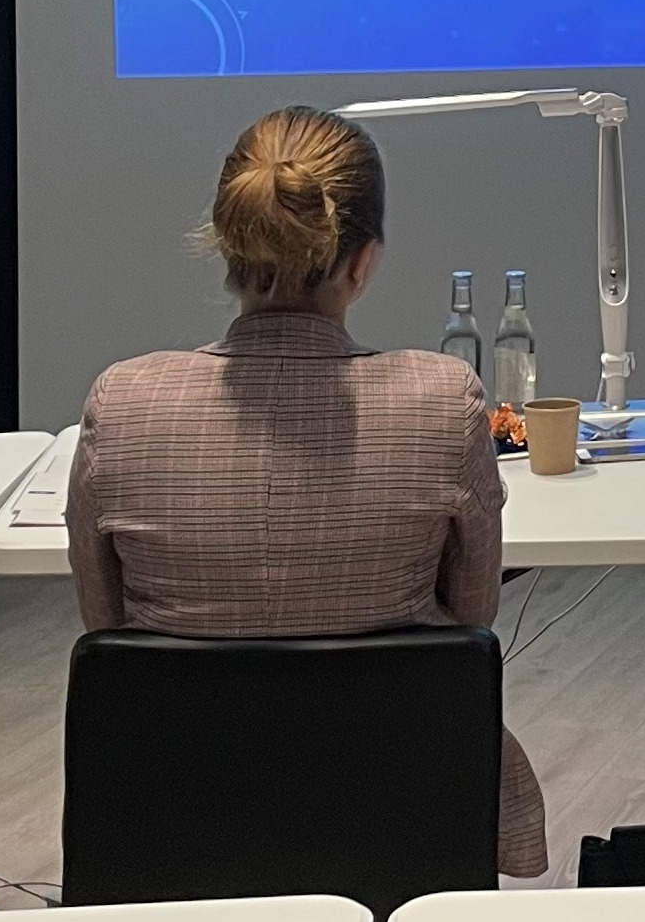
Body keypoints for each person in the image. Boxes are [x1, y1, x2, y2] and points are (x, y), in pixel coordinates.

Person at [69, 105, 547, 877]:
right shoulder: (442, 400)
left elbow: (106, 624)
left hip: (173, 824)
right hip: (404, 811)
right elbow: (472, 616)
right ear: (364, 263)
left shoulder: (122, 402)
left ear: (229, 246)